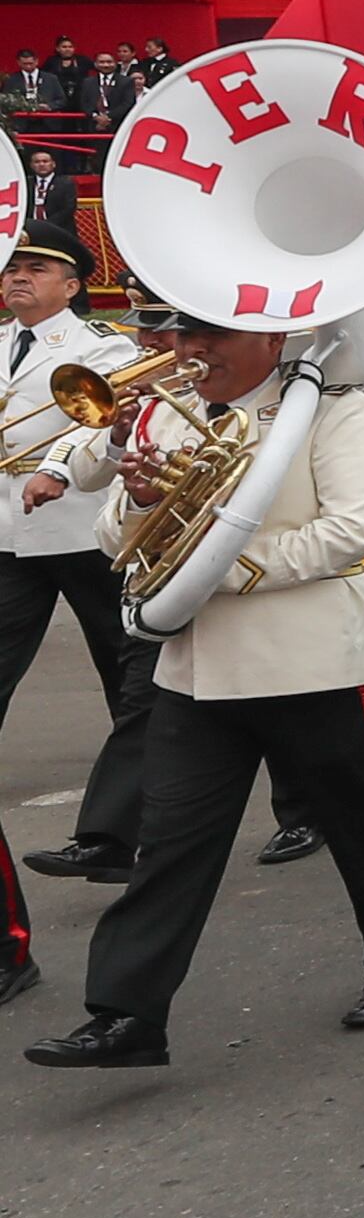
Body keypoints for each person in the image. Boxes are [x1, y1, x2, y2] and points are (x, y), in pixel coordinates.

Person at [24, 314, 364, 1071]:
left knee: (362, 822)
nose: (191, 351)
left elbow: (352, 530)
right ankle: (126, 1011)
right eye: (185, 337)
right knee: (171, 842)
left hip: (312, 663)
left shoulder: (332, 409)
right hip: (194, 667)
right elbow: (119, 539)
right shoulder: (164, 412)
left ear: (273, 342)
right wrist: (145, 499)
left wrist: (226, 563)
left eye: (211, 336)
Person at [0, 237, 157, 884]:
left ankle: (122, 830)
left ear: (72, 284)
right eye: (12, 267)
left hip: (83, 533)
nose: (18, 278)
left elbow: (97, 419)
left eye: (36, 268)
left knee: (132, 684)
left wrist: (57, 469)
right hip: (12, 536)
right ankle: (118, 832)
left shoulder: (102, 345)